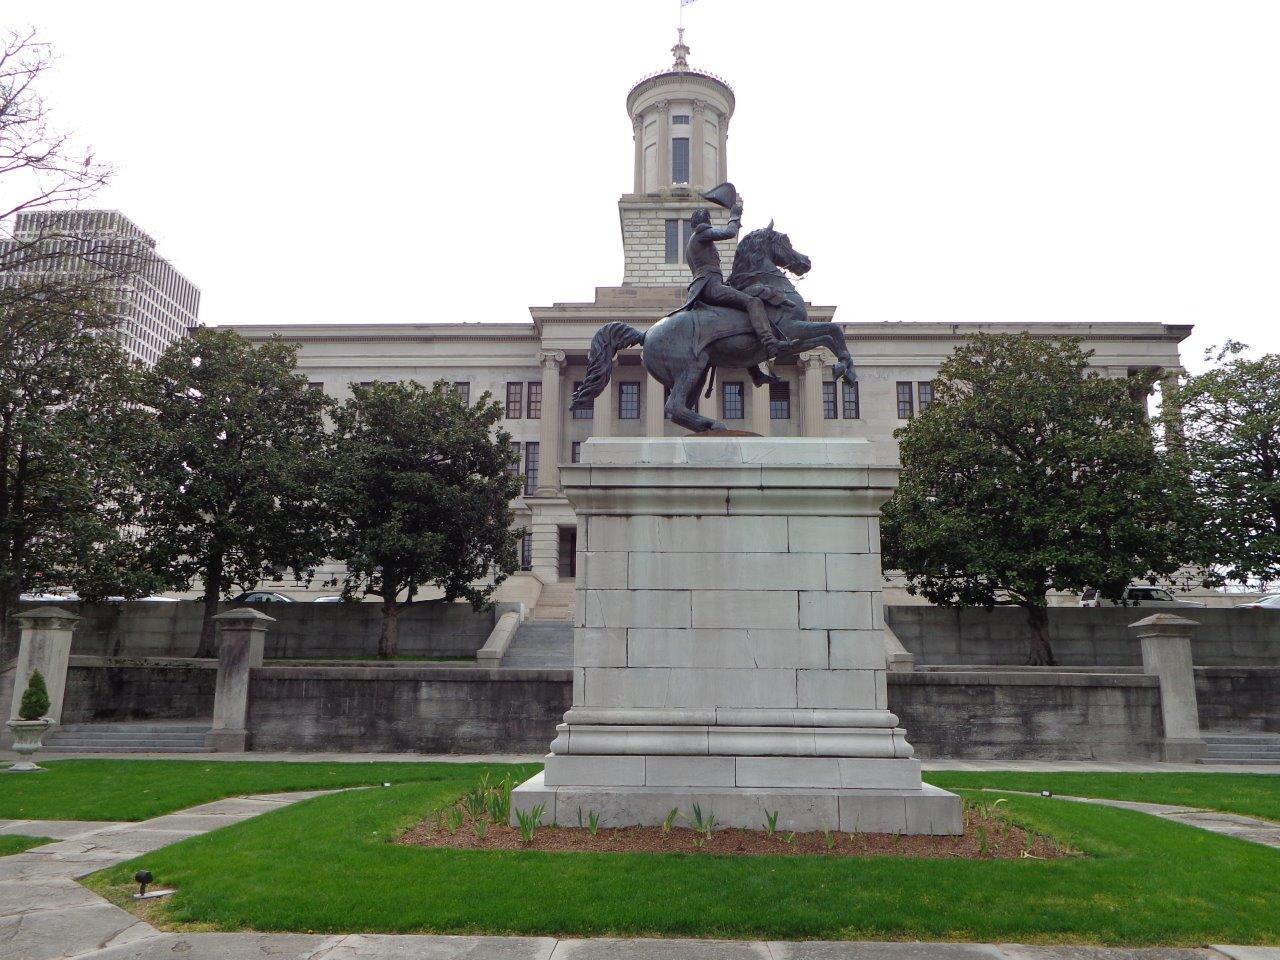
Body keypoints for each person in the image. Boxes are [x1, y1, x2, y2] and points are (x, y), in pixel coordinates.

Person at [682, 198, 796, 357]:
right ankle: (770, 342)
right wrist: (734, 216)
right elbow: (729, 232)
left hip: (705, 286)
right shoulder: (702, 233)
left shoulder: (692, 242)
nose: (710, 224)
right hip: (711, 286)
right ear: (704, 222)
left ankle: (755, 370)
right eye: (709, 221)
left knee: (738, 316)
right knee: (753, 302)